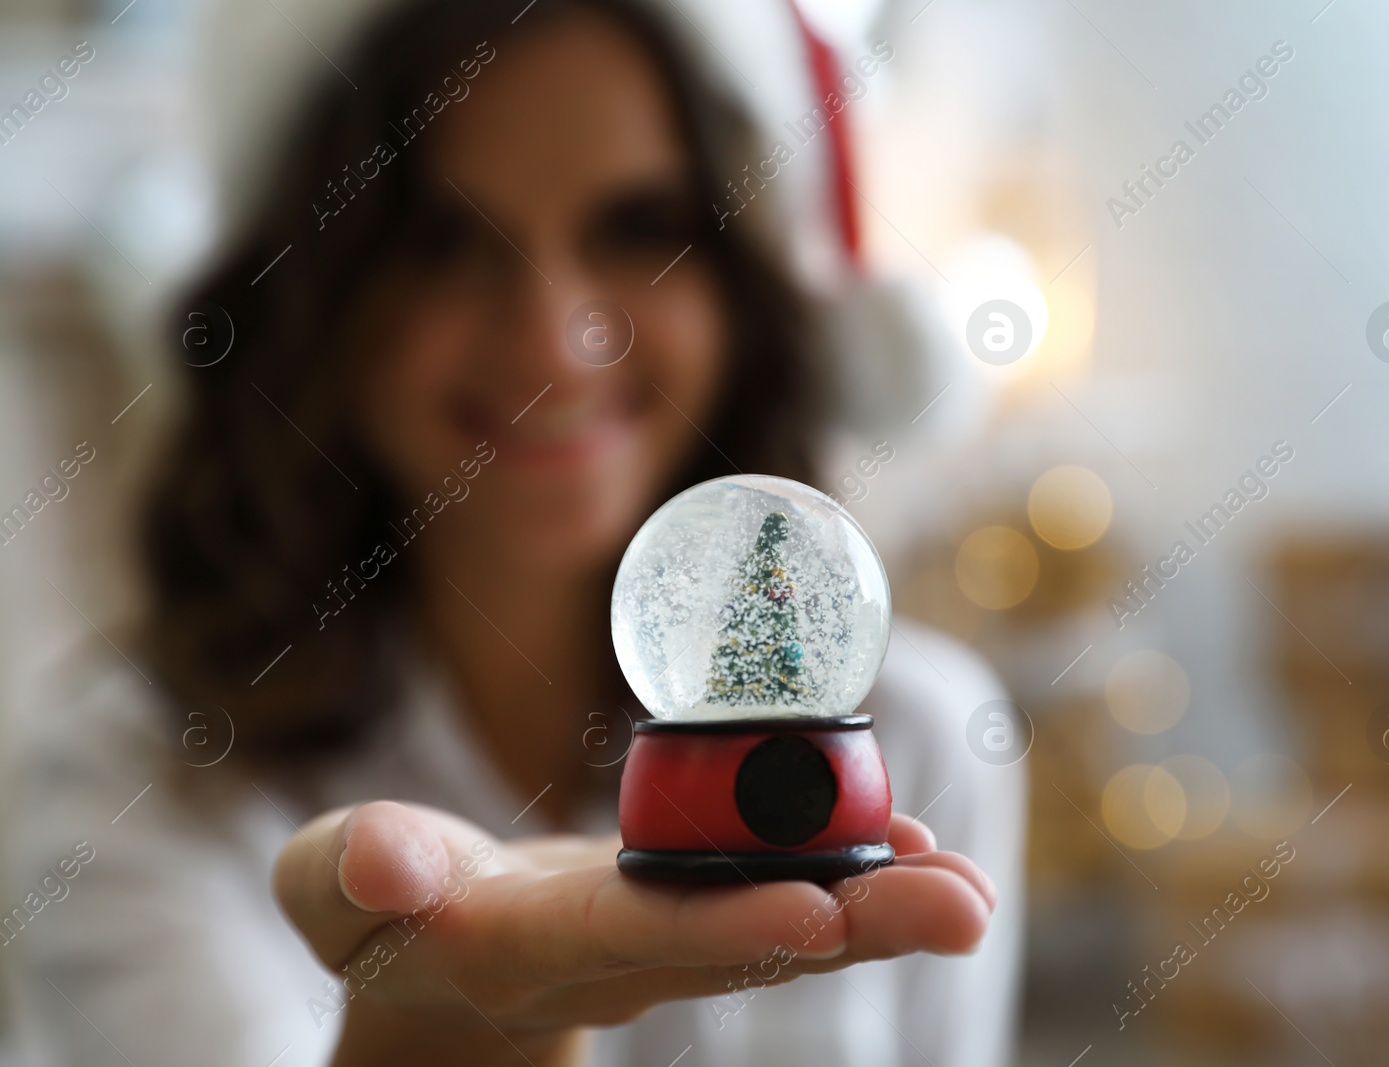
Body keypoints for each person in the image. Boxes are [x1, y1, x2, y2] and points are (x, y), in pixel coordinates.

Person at [1, 0, 1024, 1064]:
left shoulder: (917, 732)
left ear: (737, 283)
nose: (558, 340)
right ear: (317, 300)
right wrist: (443, 1025)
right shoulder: (136, 775)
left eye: (636, 228)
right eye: (443, 242)